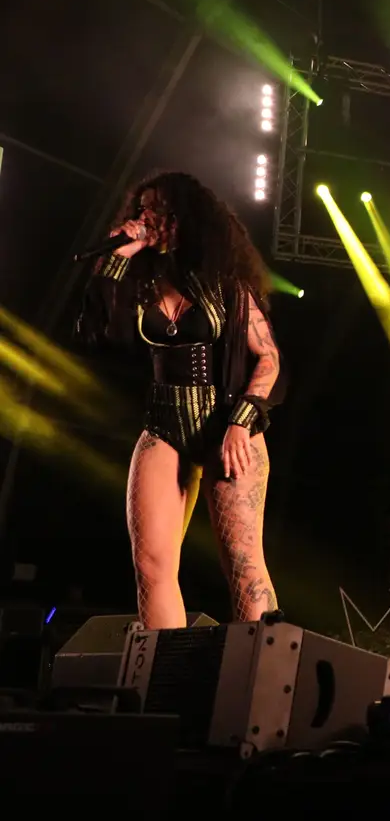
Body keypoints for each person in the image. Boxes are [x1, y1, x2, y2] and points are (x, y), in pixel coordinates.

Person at [75, 172, 286, 629]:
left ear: (185, 217)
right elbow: (96, 332)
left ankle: (260, 667)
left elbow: (268, 357)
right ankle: (164, 667)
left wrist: (241, 421)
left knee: (243, 565)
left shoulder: (225, 284)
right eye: (143, 208)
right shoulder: (141, 284)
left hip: (227, 425)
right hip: (164, 424)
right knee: (152, 565)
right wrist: (118, 256)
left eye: (159, 209)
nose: (148, 217)